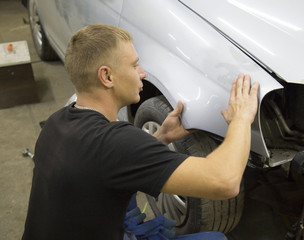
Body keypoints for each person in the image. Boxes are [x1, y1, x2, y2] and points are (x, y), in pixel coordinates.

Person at [22, 24, 259, 240]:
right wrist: (241, 119)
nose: (142, 72)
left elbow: (103, 167)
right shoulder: (115, 142)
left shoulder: (57, 122)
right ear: (107, 76)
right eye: (135, 65)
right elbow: (225, 181)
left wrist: (161, 138)